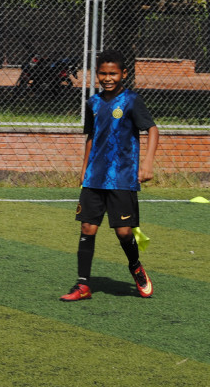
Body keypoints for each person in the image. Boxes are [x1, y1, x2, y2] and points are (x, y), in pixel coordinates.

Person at [60, 49, 159, 302]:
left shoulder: (131, 101)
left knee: (124, 232)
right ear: (96, 75)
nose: (107, 78)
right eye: (103, 73)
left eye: (113, 73)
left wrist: (147, 163)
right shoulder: (93, 103)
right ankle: (83, 285)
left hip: (122, 177)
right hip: (95, 177)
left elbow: (152, 130)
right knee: (87, 227)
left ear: (123, 74)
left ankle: (135, 266)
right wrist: (84, 169)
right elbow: (92, 137)